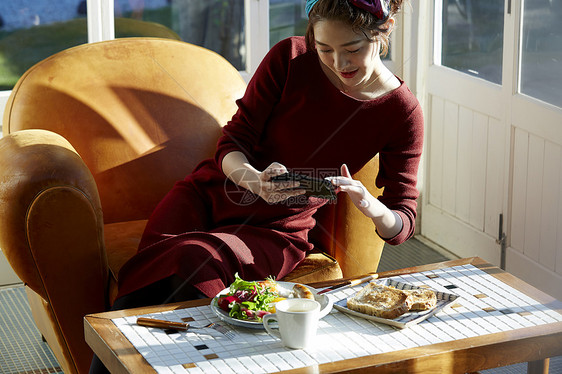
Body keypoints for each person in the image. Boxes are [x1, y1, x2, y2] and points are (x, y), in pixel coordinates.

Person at [89, 0, 422, 371]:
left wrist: (370, 206)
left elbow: (402, 219)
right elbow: (233, 140)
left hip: (276, 232)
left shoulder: (402, 112)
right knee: (155, 290)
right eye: (325, 49)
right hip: (203, 197)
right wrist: (255, 182)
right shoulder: (291, 58)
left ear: (385, 29)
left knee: (192, 258)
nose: (339, 63)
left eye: (353, 50)